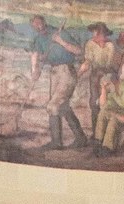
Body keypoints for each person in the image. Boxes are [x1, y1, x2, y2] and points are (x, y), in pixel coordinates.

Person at [27, 17, 86, 150]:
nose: (37, 26)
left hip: (67, 71)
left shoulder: (60, 33)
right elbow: (37, 56)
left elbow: (79, 51)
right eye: (34, 24)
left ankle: (56, 142)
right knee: (63, 106)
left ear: (44, 22)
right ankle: (81, 138)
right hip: (54, 72)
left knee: (53, 106)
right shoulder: (38, 39)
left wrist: (61, 42)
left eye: (39, 22)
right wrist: (35, 70)